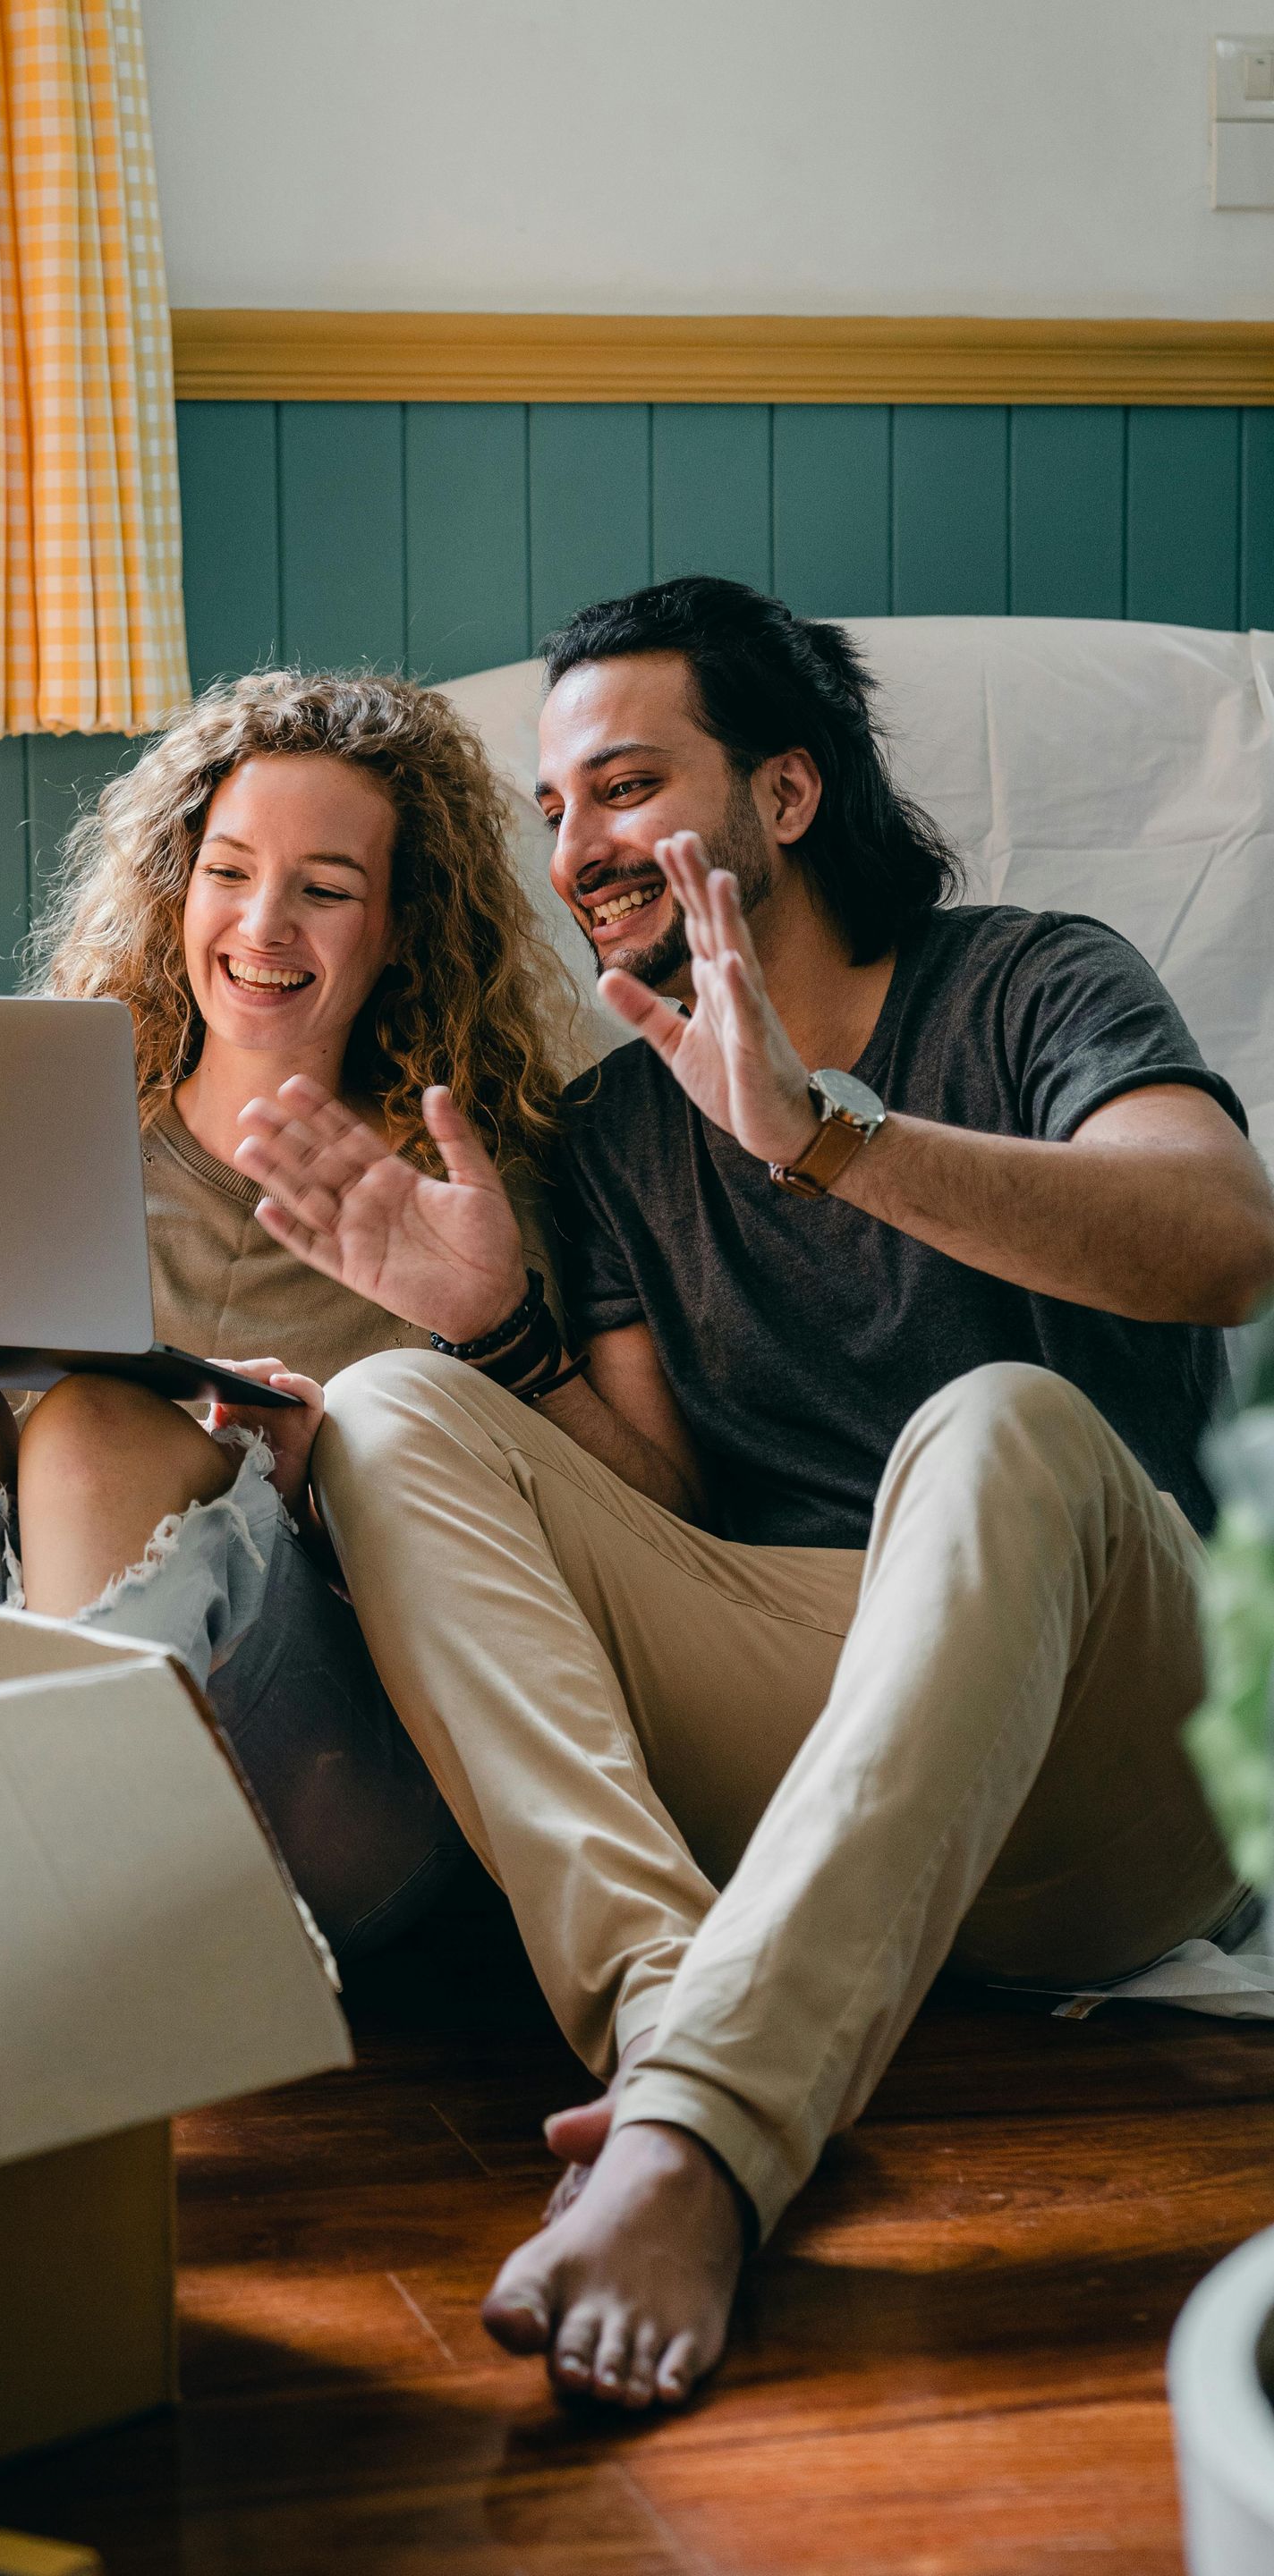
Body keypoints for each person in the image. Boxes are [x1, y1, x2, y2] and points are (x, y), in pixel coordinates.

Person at [231, 576, 1274, 2409]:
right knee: (393, 1407)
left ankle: (708, 2142)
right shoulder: (622, 1129)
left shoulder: (1033, 981)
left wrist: (828, 1136)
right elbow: (670, 1516)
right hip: (819, 1706)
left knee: (1000, 1421)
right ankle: (664, 2017)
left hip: (1118, 1763)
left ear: (783, 796)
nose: (581, 849)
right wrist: (501, 1338)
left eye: (626, 787)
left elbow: (1223, 1245)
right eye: (555, 810)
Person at [0, 669, 571, 1962]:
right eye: (229, 871)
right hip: (24, 1797)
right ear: (179, 887)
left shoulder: (466, 1192)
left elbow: (541, 1571)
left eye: (327, 888)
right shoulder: (55, 1138)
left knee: (91, 1433)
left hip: (341, 1785)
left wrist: (323, 1471)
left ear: (404, 923)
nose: (264, 923)